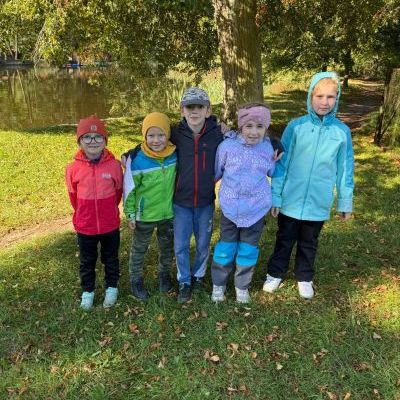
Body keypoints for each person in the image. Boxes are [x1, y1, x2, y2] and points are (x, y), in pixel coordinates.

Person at [263, 71, 354, 299]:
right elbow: (281, 164)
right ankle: (275, 273)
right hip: (291, 199)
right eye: (319, 96)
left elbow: (345, 170)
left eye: (330, 97)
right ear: (310, 97)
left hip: (318, 200)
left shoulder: (342, 132)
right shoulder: (296, 127)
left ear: (337, 99)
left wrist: (345, 202)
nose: (324, 102)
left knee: (309, 241)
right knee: (284, 239)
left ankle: (304, 277)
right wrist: (276, 197)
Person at [211, 104, 276, 303]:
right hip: (230, 209)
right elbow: (216, 171)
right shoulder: (227, 147)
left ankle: (241, 286)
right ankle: (219, 284)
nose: (254, 132)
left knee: (248, 250)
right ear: (241, 127)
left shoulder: (268, 149)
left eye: (259, 126)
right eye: (249, 126)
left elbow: (273, 172)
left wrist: (278, 155)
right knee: (225, 248)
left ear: (266, 128)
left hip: (256, 210)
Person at [66, 115, 123, 311]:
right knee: (87, 261)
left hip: (110, 225)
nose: (93, 141)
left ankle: (111, 288)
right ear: (79, 141)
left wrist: (108, 211)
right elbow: (73, 197)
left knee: (111, 258)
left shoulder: (114, 166)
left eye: (98, 136)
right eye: (87, 137)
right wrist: (85, 214)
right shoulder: (73, 169)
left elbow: (118, 193)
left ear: (105, 140)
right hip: (85, 226)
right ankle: (88, 292)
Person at [123, 112, 177, 300]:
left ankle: (164, 276)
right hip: (144, 215)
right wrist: (130, 213)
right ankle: (135, 280)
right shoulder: (137, 160)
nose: (156, 140)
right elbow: (130, 189)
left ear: (168, 135)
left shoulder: (174, 154)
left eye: (161, 135)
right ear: (144, 136)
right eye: (151, 135)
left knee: (167, 248)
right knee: (139, 249)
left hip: (168, 214)